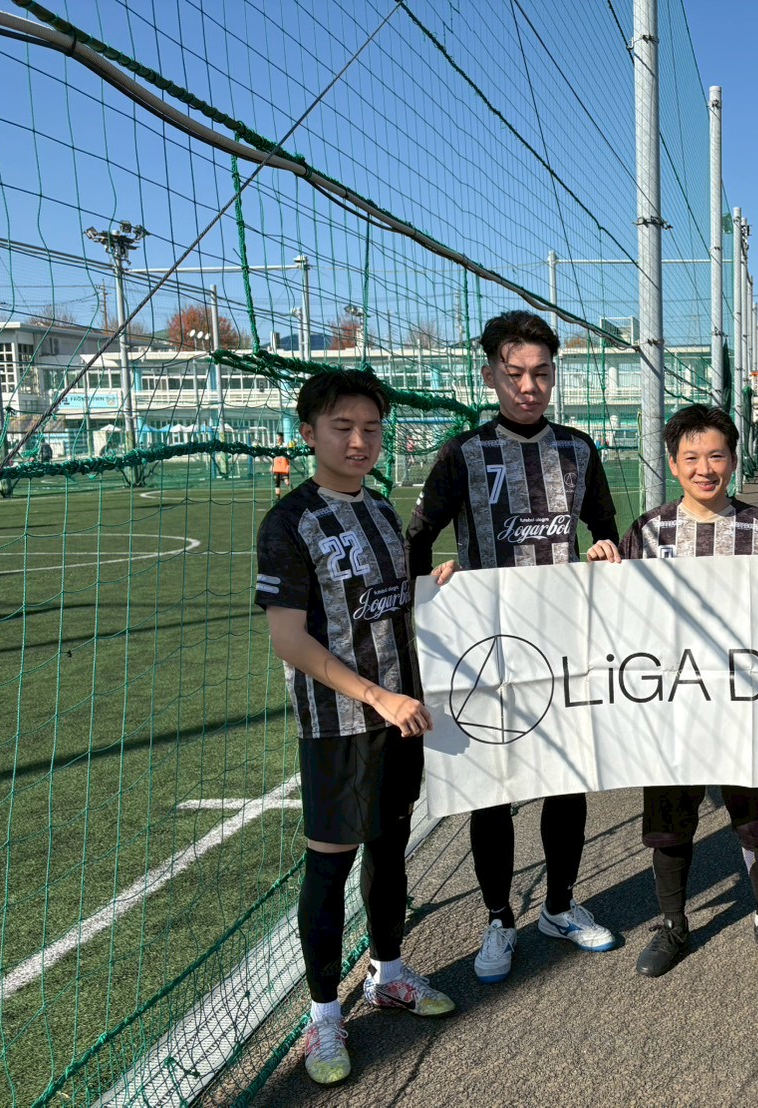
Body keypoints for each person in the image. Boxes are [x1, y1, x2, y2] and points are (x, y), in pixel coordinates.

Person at [406, 310, 620, 986]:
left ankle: (558, 905)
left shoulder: (578, 449)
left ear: (554, 376)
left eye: (541, 374)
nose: (529, 387)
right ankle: (499, 917)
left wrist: (605, 548)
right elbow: (417, 540)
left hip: (563, 643)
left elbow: (604, 528)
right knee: (491, 790)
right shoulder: (463, 454)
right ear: (490, 376)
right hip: (487, 649)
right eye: (515, 374)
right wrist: (436, 581)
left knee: (567, 780)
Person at [256, 369, 455, 1087]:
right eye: (342, 427)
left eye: (370, 428)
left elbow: (389, 603)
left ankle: (388, 975)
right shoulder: (289, 522)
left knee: (390, 846)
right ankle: (322, 1017)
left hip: (400, 715)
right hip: (340, 723)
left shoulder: (377, 507)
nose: (359, 440)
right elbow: (289, 639)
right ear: (309, 434)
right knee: (330, 864)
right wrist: (376, 696)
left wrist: (434, 586)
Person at [590, 403, 758, 978]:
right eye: (691, 458)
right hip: (671, 707)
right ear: (673, 463)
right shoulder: (648, 531)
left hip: (748, 707)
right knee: (669, 822)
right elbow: (615, 614)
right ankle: (673, 924)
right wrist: (602, 567)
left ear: (732, 460)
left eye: (716, 456)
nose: (705, 469)